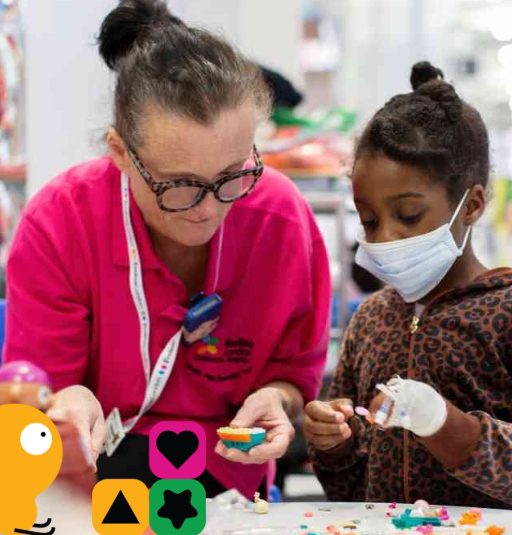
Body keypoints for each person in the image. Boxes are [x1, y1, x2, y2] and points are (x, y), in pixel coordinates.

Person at [4, 0, 331, 498]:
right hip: (91, 484)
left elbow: (293, 378)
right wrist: (65, 402)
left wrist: (276, 399)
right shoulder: (60, 222)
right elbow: (39, 390)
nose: (207, 208)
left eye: (232, 176)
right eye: (180, 184)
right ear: (120, 153)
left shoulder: (282, 222)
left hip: (231, 490)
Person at [304, 61, 512, 511]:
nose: (383, 238)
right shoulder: (370, 320)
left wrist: (450, 428)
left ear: (471, 204)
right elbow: (349, 493)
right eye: (369, 220)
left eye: (408, 216)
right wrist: (334, 445)